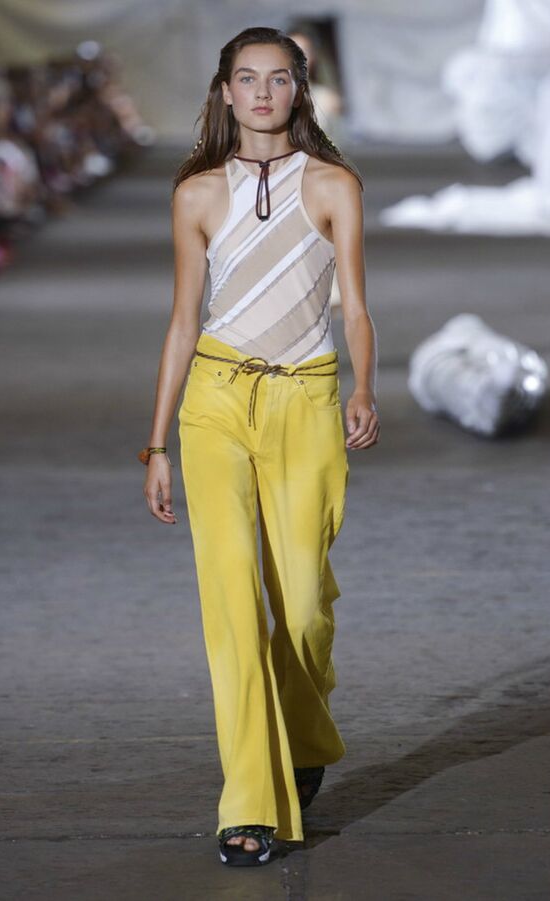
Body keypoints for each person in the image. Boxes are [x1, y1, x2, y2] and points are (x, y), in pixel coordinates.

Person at [139, 26, 379, 867]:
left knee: (304, 604)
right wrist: (156, 443)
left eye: (278, 79)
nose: (263, 93)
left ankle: (305, 733)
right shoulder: (197, 193)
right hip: (214, 402)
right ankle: (249, 800)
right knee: (232, 607)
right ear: (226, 92)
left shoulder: (335, 185)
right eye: (247, 79)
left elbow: (355, 305)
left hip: (305, 399)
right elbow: (182, 321)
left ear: (298, 90)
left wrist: (363, 385)